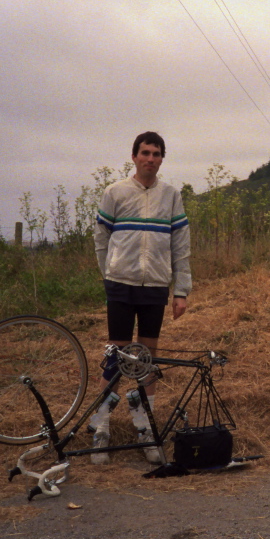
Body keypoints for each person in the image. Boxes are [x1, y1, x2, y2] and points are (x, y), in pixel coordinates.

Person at [92, 131, 192, 464]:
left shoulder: (171, 196)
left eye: (157, 154)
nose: (150, 158)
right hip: (121, 284)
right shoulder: (115, 192)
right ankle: (100, 427)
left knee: (147, 358)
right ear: (134, 156)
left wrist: (181, 291)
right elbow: (101, 239)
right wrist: (109, 274)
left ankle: (145, 428)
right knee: (117, 356)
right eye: (145, 153)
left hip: (155, 288)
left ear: (162, 159)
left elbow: (181, 246)